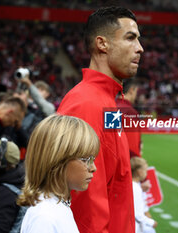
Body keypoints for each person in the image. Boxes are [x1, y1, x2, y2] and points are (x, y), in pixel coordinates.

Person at [57, 6, 143, 233]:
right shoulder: (86, 105)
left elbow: (115, 179)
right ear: (102, 44)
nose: (140, 48)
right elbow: (86, 204)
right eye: (130, 38)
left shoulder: (106, 102)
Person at [17, 114, 100, 233]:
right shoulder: (45, 217)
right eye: (86, 159)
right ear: (56, 160)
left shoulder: (56, 207)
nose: (93, 168)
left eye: (93, 159)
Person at [130, 157, 157, 233]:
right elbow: (137, 214)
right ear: (139, 171)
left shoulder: (135, 185)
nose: (146, 173)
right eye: (145, 170)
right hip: (135, 228)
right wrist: (151, 222)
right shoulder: (135, 188)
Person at [116, 78, 142, 157]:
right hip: (127, 161)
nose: (136, 95)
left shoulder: (111, 107)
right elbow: (133, 146)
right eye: (136, 92)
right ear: (131, 90)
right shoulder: (131, 112)